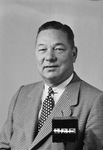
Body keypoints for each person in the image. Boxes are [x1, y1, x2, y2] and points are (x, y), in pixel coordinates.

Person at [0, 21, 103, 150]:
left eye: (58, 49)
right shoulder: (22, 94)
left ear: (74, 54)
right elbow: (3, 145)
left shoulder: (95, 101)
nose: (49, 57)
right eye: (42, 49)